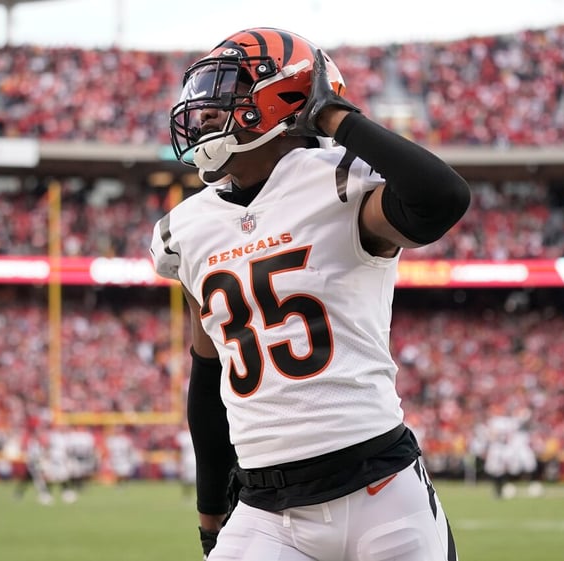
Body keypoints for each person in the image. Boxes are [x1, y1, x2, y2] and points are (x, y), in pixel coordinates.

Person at [150, 27, 470, 561]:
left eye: (225, 88)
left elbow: (442, 198)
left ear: (283, 97)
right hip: (266, 506)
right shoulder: (187, 229)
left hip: (379, 488)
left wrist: (335, 117)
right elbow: (209, 379)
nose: (202, 112)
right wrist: (211, 509)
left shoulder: (340, 183)